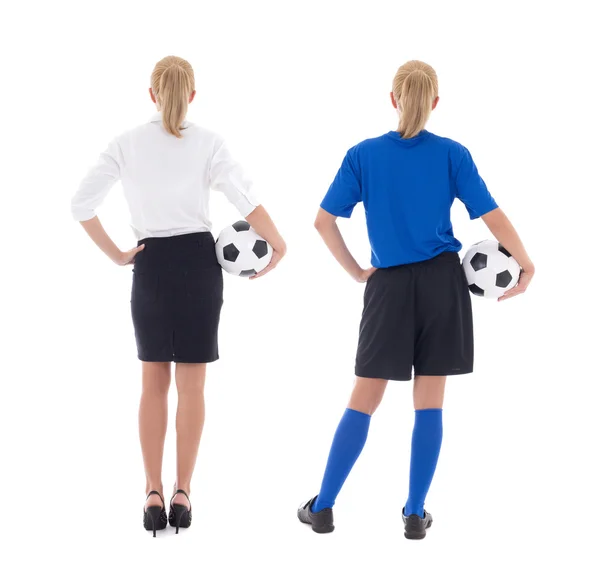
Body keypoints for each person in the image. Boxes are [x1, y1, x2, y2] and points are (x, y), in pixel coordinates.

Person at [297, 60, 534, 540]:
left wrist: (358, 272)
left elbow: (323, 221)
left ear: (393, 98)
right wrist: (526, 262)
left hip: (388, 287)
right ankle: (413, 513)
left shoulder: (362, 155)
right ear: (434, 103)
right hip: (443, 286)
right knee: (429, 403)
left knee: (364, 399)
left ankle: (322, 507)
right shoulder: (452, 154)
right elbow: (490, 214)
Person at [71, 55, 286, 537]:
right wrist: (279, 243)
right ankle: (183, 493)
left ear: (152, 94)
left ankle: (152, 493)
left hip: (149, 266)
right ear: (192, 95)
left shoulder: (124, 144)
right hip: (198, 264)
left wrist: (118, 255)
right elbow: (245, 199)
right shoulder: (209, 142)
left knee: (153, 384)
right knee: (193, 387)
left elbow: (80, 205)